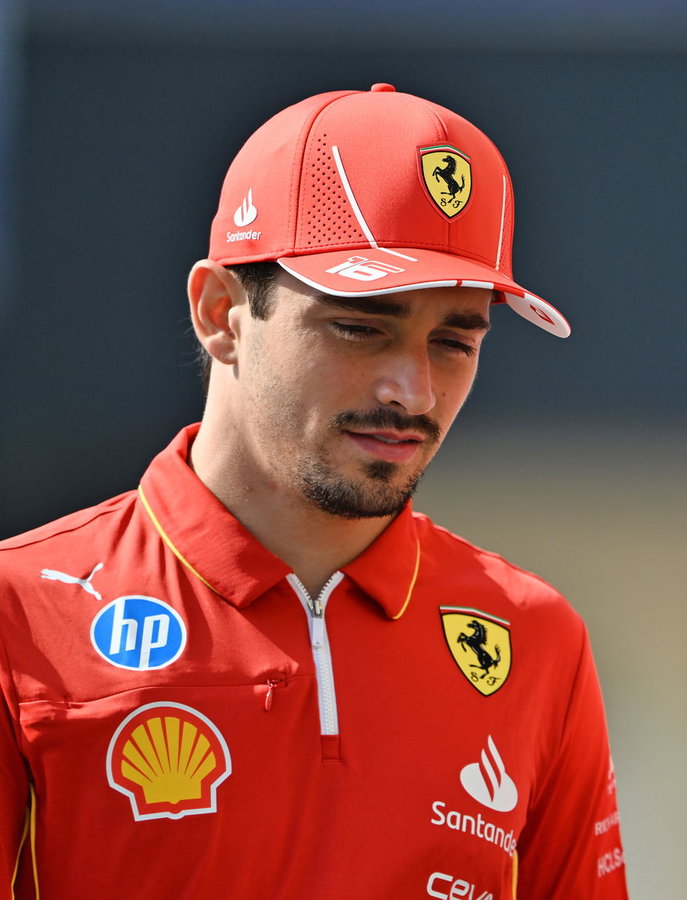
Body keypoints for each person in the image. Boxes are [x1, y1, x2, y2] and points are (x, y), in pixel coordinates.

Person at [0, 84, 627, 898]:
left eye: (453, 342)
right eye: (360, 327)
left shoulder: (536, 636)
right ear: (221, 310)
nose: (413, 392)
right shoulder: (22, 613)